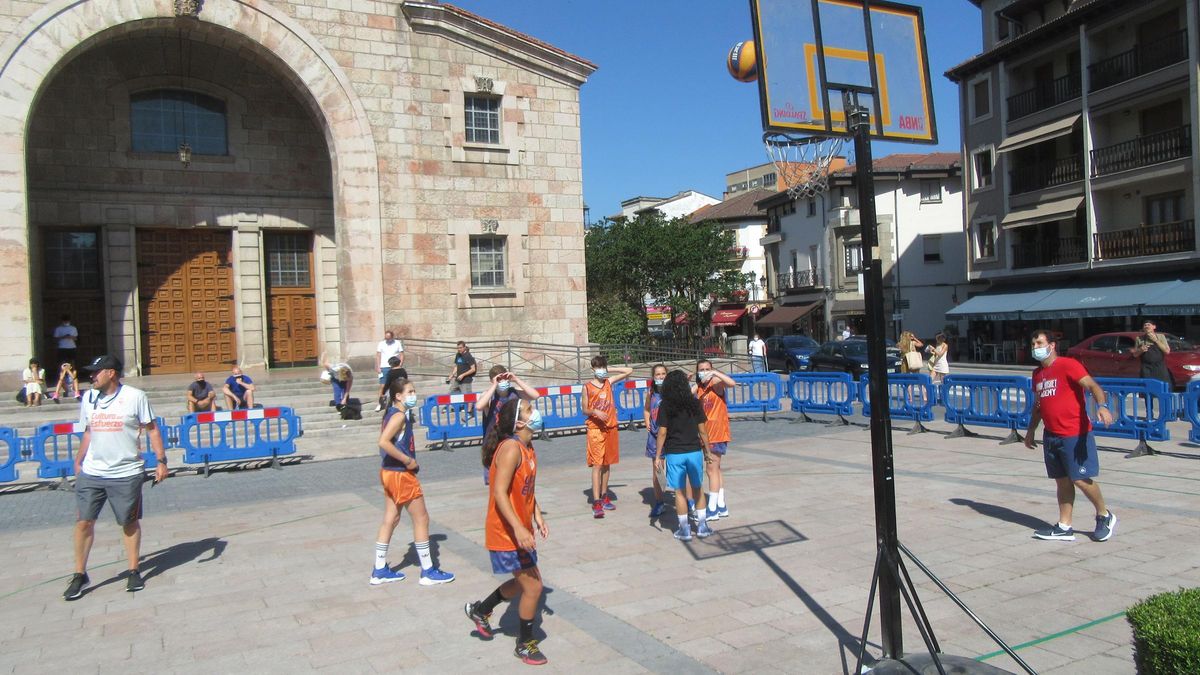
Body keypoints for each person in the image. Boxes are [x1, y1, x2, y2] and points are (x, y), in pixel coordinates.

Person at [64, 354, 169, 601]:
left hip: (126, 472)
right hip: (93, 472)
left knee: (128, 522)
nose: (92, 376)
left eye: (96, 372)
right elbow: (89, 431)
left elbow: (152, 429)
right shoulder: (89, 398)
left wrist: (161, 461)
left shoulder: (135, 397)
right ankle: (80, 573)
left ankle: (133, 569)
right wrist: (79, 460)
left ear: (111, 373)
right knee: (83, 522)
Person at [464, 398, 550, 666]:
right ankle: (524, 644)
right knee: (534, 587)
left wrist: (536, 514)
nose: (535, 412)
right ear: (519, 422)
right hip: (506, 532)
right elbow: (499, 493)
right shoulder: (511, 448)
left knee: (522, 583)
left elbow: (525, 489)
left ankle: (481, 609)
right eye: (528, 410)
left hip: (520, 529)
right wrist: (518, 527)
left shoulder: (528, 447)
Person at [1023, 329, 1117, 543]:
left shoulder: (1067, 365)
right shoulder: (1037, 374)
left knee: (1080, 479)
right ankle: (1065, 526)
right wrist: (1030, 432)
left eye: (1039, 343)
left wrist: (1102, 406)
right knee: (1062, 481)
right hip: (1052, 435)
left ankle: (1104, 515)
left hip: (1074, 433)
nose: (1035, 347)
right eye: (1033, 344)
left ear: (1052, 345)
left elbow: (1092, 386)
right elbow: (1039, 406)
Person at [371, 378, 455, 586]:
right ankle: (428, 570)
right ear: (398, 396)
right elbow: (383, 442)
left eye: (414, 391)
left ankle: (379, 569)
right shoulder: (398, 416)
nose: (413, 395)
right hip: (400, 473)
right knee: (421, 518)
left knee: (391, 518)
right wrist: (407, 459)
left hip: (389, 472)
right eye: (409, 391)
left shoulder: (392, 413)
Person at [654, 369, 714, 541]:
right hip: (694, 451)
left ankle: (684, 529)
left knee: (679, 492)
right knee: (698, 488)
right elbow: (703, 431)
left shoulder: (665, 405)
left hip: (675, 453)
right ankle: (702, 526)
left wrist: (659, 455)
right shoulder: (694, 403)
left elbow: (662, 433)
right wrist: (707, 451)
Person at [582, 355, 632, 518]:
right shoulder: (588, 387)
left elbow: (629, 370)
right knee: (597, 465)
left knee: (607, 464)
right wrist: (594, 411)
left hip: (610, 427)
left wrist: (609, 369)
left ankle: (604, 496)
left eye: (603, 368)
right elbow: (584, 409)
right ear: (593, 370)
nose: (601, 371)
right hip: (596, 429)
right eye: (598, 368)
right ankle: (596, 501)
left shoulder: (609, 382)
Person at [696, 359, 735, 521]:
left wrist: (715, 373)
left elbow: (732, 383)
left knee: (711, 469)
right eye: (702, 369)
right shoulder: (699, 387)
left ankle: (712, 508)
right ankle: (721, 504)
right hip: (705, 434)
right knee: (715, 469)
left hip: (717, 433)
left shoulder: (716, 384)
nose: (704, 372)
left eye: (707, 369)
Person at [643, 364, 669, 518]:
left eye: (663, 373)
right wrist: (647, 421)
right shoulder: (651, 392)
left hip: (671, 436)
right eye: (657, 374)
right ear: (653, 377)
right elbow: (647, 409)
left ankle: (686, 500)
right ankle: (659, 502)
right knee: (658, 470)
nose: (660, 377)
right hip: (654, 436)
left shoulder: (672, 393)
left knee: (677, 469)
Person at [1131, 320, 1171, 385]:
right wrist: (1141, 350)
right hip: (1146, 368)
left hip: (1160, 367)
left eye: (1148, 324)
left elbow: (1167, 351)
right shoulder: (1139, 338)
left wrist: (1156, 340)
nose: (1146, 326)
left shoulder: (1161, 336)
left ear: (1154, 327)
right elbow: (1135, 355)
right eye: (1145, 325)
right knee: (1147, 387)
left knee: (1161, 387)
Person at [374, 331, 405, 412]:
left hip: (395, 366)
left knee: (397, 385)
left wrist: (400, 364)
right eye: (386, 338)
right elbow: (378, 355)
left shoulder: (397, 343)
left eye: (389, 338)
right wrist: (378, 366)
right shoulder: (381, 343)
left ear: (392, 337)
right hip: (384, 366)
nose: (387, 340)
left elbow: (401, 354)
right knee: (383, 386)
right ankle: (380, 403)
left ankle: (397, 402)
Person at [446, 341, 478, 416]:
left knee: (468, 395)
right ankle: (453, 407)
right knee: (451, 391)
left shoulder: (468, 356)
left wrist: (463, 375)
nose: (459, 349)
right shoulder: (458, 355)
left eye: (460, 348)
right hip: (458, 379)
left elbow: (473, 369)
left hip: (466, 380)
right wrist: (451, 375)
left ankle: (470, 411)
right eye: (458, 348)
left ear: (464, 347)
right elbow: (457, 366)